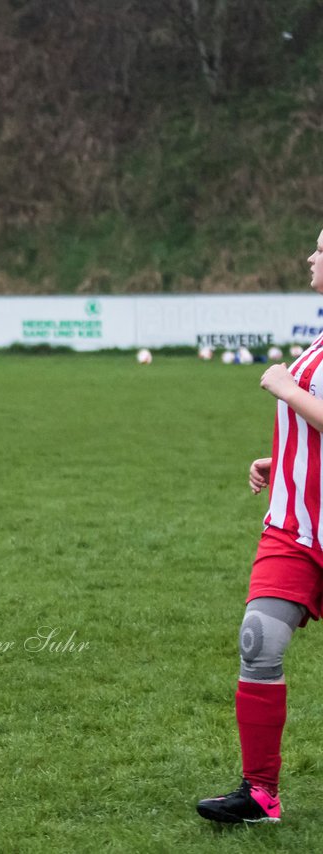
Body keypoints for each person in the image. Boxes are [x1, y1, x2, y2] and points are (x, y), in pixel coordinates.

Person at [195, 228, 323, 825]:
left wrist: (285, 386)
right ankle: (260, 793)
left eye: (320, 249)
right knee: (258, 641)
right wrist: (284, 458)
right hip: (294, 527)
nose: (310, 257)